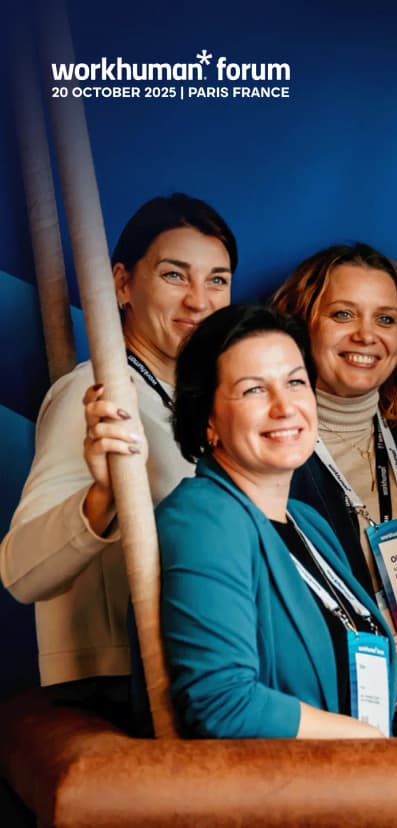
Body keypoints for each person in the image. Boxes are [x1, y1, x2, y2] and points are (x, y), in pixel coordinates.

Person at [0, 194, 236, 723]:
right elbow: (20, 573)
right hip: (121, 689)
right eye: (175, 275)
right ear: (123, 284)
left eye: (217, 280)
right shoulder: (93, 394)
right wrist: (103, 497)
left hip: (198, 676)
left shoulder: (202, 402)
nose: (199, 301)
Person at [158, 304, 396, 738]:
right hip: (280, 782)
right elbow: (222, 704)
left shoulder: (308, 523)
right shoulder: (202, 519)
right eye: (254, 390)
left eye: (295, 382)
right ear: (208, 419)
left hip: (355, 775)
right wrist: (367, 741)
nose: (285, 407)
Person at [271, 243, 397, 736]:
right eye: (343, 314)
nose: (366, 334)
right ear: (301, 324)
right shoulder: (273, 450)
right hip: (348, 732)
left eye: (385, 319)